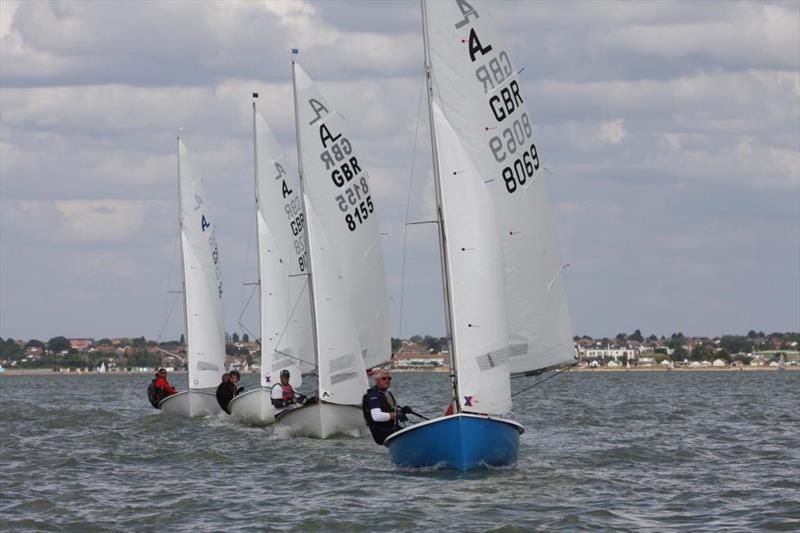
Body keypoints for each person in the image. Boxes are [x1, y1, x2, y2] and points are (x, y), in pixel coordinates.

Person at [362, 369, 413, 445]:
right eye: (384, 378)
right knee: (413, 433)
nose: (387, 380)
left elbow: (391, 409)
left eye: (389, 378)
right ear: (377, 380)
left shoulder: (386, 394)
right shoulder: (373, 395)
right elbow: (376, 416)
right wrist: (396, 415)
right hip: (382, 432)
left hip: (392, 429)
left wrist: (402, 410)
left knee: (415, 430)